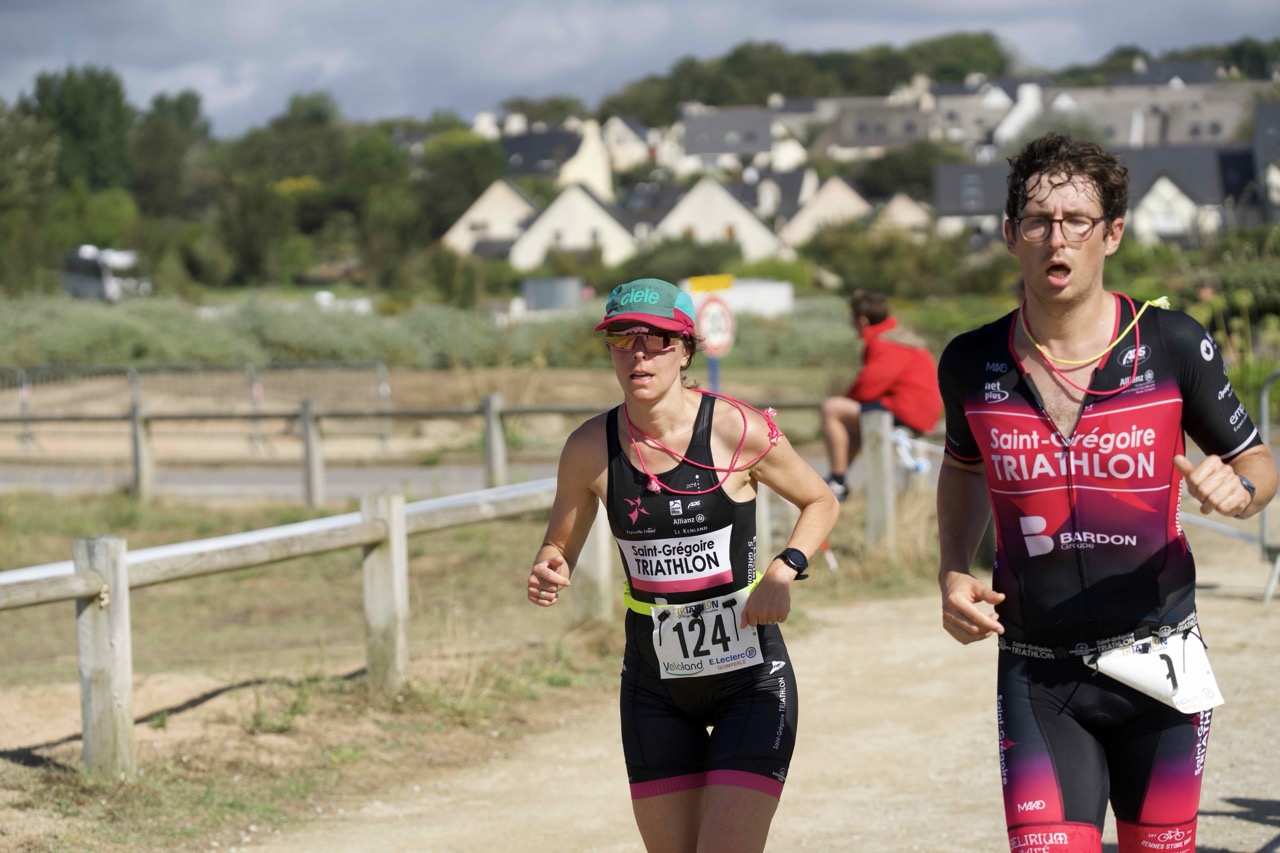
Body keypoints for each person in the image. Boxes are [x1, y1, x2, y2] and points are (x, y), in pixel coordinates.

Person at [935, 132, 1277, 852]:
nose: (1056, 238)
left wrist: (1241, 490)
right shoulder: (970, 360)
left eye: (1077, 220)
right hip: (1037, 670)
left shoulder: (1173, 343)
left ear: (1112, 233)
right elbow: (962, 467)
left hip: (1159, 661)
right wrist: (952, 570)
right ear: (1010, 235)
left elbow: (1255, 460)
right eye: (1038, 221)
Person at [525, 278, 839, 852]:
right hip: (653, 685)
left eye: (657, 340)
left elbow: (821, 500)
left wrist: (784, 568)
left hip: (750, 678)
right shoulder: (589, 447)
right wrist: (550, 566)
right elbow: (559, 546)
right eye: (622, 339)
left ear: (687, 349)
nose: (638, 354)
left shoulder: (736, 429)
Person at [820, 290, 942, 500]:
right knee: (851, 420)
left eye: (852, 320)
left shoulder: (886, 343)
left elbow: (868, 386)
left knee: (832, 408)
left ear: (862, 321)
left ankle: (838, 480)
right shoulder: (896, 336)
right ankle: (838, 480)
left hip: (909, 410)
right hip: (915, 408)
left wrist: (846, 399)